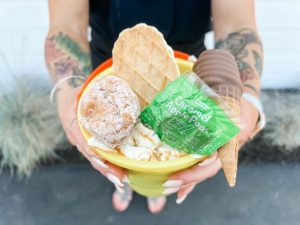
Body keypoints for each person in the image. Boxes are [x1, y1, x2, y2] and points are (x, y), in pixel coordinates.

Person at [45, 0, 264, 213]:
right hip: (110, 72)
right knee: (112, 152)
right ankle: (122, 184)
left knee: (167, 156)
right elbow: (66, 27)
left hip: (191, 74)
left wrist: (246, 104)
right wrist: (70, 94)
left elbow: (236, 24)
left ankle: (158, 185)